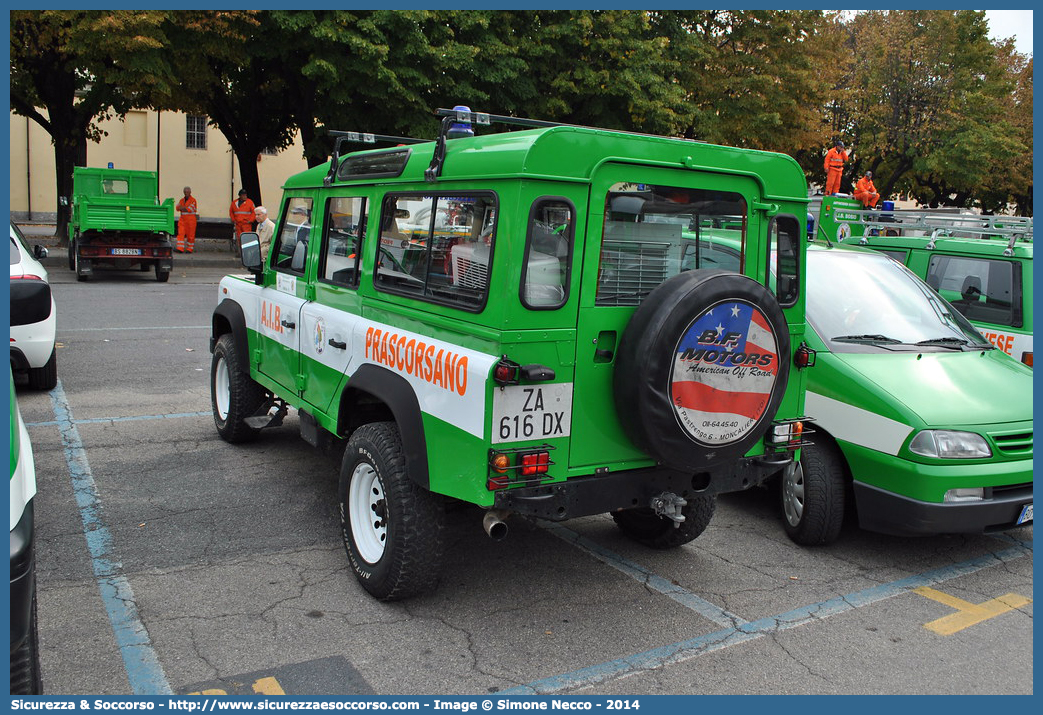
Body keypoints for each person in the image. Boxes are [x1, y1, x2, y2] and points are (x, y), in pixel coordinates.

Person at [174, 186, 199, 253]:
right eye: (185, 192)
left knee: (190, 235)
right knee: (180, 234)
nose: (186, 193)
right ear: (183, 192)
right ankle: (180, 248)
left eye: (187, 192)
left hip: (191, 221)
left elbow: (189, 209)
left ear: (190, 192)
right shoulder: (181, 200)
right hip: (182, 220)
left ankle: (189, 249)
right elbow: (177, 207)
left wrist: (182, 208)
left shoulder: (193, 200)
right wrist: (184, 208)